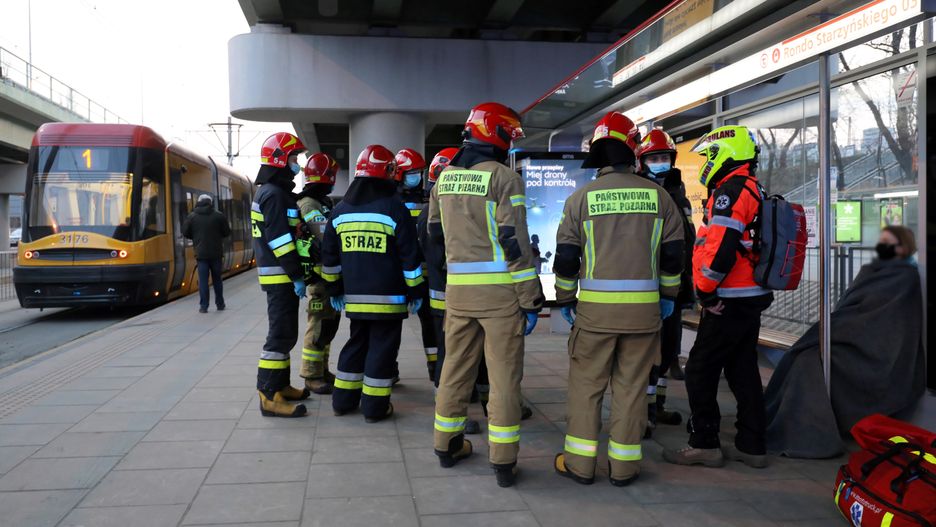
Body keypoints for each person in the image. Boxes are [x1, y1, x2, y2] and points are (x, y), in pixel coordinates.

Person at [552, 112, 684, 487]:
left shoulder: (580, 199)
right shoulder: (660, 197)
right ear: (634, 151)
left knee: (586, 388)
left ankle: (579, 464)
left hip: (594, 316)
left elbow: (566, 258)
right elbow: (674, 256)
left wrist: (565, 299)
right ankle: (624, 468)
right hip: (644, 316)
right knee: (631, 390)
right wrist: (668, 296)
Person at [428, 102, 544, 488]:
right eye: (509, 134)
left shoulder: (443, 179)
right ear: (496, 133)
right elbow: (515, 243)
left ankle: (446, 446)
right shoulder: (504, 178)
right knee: (503, 378)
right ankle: (503, 461)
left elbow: (434, 237)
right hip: (499, 297)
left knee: (454, 370)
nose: (511, 141)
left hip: (458, 294)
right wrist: (530, 298)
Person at [663, 125, 773, 468]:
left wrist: (707, 293)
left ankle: (704, 443)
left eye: (710, 155)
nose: (707, 162)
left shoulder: (730, 192)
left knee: (699, 368)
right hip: (749, 294)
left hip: (729, 296)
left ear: (727, 153)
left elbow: (721, 249)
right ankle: (751, 444)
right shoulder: (752, 187)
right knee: (742, 368)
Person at [764, 225, 925, 458]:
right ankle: (793, 423)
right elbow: (851, 307)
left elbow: (887, 319)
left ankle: (809, 431)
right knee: (803, 357)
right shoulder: (872, 270)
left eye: (891, 243)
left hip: (874, 348)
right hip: (853, 337)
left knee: (809, 363)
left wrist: (841, 328)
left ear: (904, 247)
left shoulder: (904, 277)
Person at [320, 144, 425, 423]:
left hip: (354, 299)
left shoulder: (340, 211)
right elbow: (410, 257)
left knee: (356, 344)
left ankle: (342, 402)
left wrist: (334, 289)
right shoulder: (395, 209)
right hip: (389, 299)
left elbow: (329, 258)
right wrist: (416, 290)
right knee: (382, 349)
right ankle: (374, 408)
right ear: (388, 172)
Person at [417, 147, 484, 435]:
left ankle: (469, 398)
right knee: (451, 355)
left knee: (463, 352)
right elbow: (439, 256)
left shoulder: (438, 210)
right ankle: (449, 412)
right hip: (449, 295)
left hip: (453, 294)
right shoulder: (437, 213)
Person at [635, 129, 695, 436]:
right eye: (653, 158)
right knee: (648, 353)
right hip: (650, 285)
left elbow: (687, 238)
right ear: (642, 162)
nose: (660, 162)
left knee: (669, 349)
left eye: (664, 157)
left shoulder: (677, 190)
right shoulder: (640, 192)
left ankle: (658, 405)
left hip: (676, 284)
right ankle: (643, 413)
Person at [251, 132, 312, 418]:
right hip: (281, 276)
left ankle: (281, 385)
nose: (297, 163)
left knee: (286, 333)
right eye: (293, 158)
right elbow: (280, 241)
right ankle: (268, 395)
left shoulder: (272, 192)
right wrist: (296, 275)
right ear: (279, 160)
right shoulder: (274, 195)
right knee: (279, 336)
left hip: (279, 275)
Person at [296, 153, 341, 395]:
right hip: (318, 277)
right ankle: (311, 375)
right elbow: (324, 236)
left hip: (327, 275)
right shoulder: (309, 204)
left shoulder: (321, 202)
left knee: (327, 326)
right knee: (317, 326)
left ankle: (322, 370)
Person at [394, 148, 439, 380]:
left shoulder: (428, 198)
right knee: (391, 325)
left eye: (420, 172)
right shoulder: (391, 201)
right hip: (398, 273)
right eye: (412, 172)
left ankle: (435, 367)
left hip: (425, 271)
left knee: (429, 322)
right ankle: (387, 368)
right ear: (399, 174)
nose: (418, 177)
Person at [182, 194, 231, 313]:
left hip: (201, 254)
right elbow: (226, 232)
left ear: (199, 202)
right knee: (217, 279)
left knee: (203, 281)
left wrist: (196, 237)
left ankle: (204, 306)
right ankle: (220, 304)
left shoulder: (192, 216)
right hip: (216, 254)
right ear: (210, 202)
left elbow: (185, 232)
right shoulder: (219, 216)